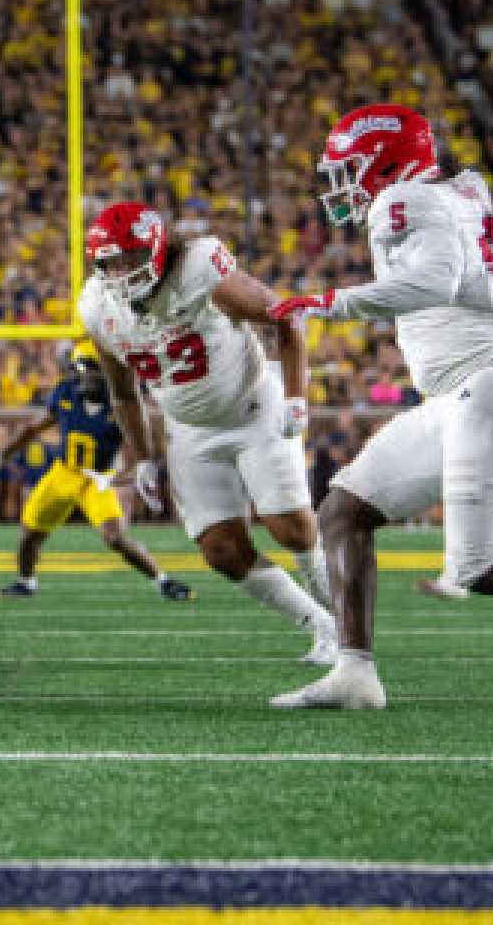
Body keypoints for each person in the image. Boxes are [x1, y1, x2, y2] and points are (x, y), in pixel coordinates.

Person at [268, 104, 493, 710]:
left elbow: (435, 284)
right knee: (344, 510)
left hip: (487, 386)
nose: (339, 184)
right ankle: (355, 673)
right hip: (460, 393)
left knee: (481, 569)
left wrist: (328, 303)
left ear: (385, 164)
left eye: (349, 169)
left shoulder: (406, 202)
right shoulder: (449, 195)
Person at [79, 199, 338, 667]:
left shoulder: (197, 269)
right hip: (191, 428)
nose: (121, 271)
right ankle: (321, 625)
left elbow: (285, 316)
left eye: (132, 258)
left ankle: (348, 626)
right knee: (222, 551)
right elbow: (122, 392)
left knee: (293, 529)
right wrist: (141, 458)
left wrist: (298, 396)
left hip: (253, 407)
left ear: (158, 250)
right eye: (110, 262)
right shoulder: (98, 307)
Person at [0, 340, 192, 602]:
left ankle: (163, 581)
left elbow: (144, 456)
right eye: (82, 367)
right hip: (63, 472)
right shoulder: (66, 392)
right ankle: (26, 582)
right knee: (30, 532)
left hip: (97, 478)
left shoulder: (123, 406)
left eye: (93, 368)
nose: (87, 374)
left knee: (114, 537)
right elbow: (32, 428)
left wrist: (118, 479)